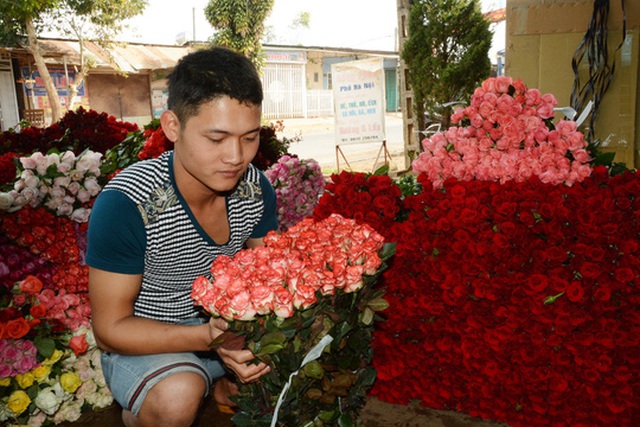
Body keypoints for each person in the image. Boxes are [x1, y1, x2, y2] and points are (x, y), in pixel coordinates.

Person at [86, 46, 278, 427]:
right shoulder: (129, 202)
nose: (236, 157)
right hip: (145, 346)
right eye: (217, 138)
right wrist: (211, 339)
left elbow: (269, 280)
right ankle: (141, 412)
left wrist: (251, 340)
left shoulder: (255, 189)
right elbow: (110, 330)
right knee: (177, 397)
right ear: (172, 126)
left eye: (250, 137)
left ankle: (221, 385)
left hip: (225, 336)